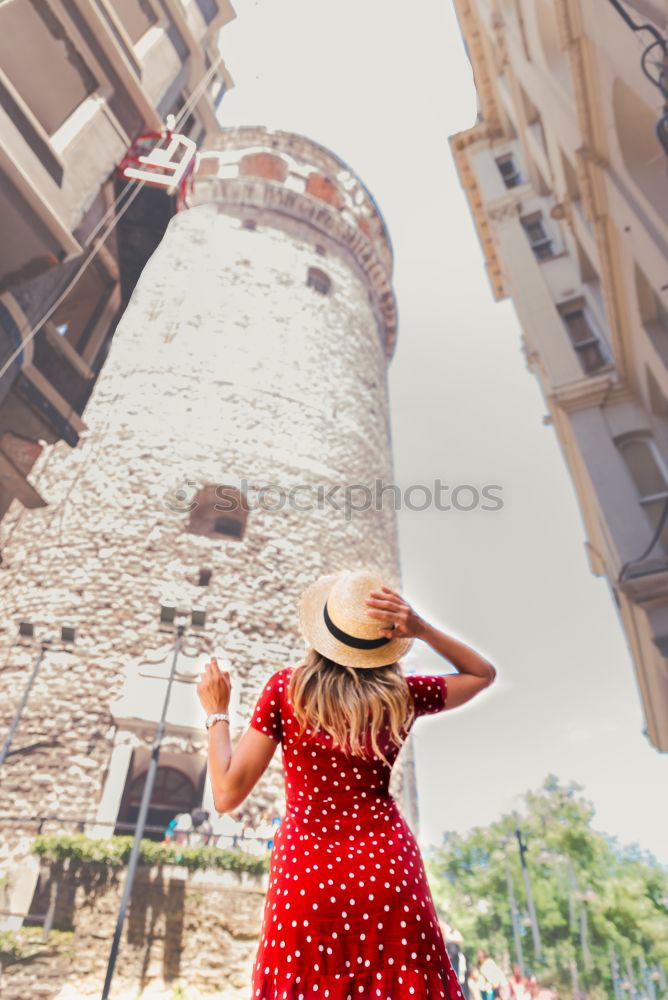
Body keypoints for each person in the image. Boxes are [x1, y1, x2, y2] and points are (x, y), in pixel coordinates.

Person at [197, 568, 497, 998]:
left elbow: (226, 794)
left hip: (308, 871)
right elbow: (481, 674)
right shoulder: (401, 696)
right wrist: (423, 629)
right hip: (386, 868)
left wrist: (217, 712)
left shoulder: (287, 691)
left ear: (324, 636)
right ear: (385, 645)